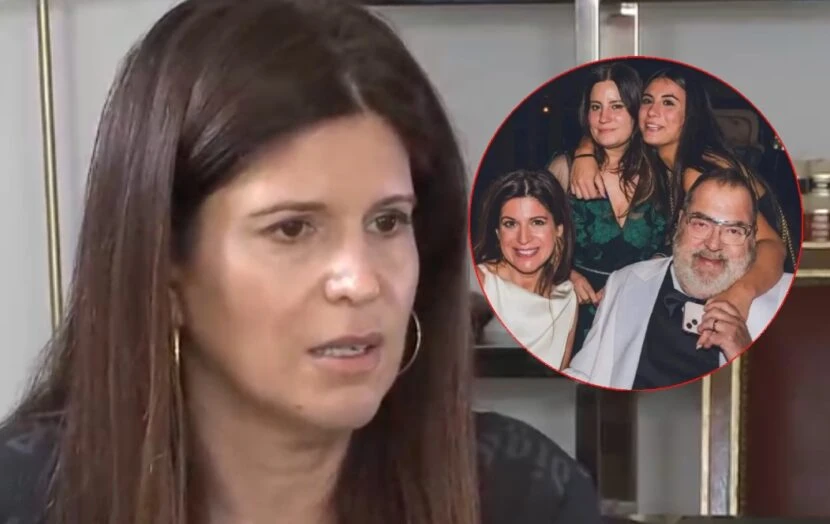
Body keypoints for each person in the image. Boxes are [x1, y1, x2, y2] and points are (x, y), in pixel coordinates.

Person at [0, 1, 602, 523]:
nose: (360, 282)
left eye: (387, 222)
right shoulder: (24, 497)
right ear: (167, 271)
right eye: (291, 229)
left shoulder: (522, 496)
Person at [568, 65, 792, 323]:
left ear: (690, 115)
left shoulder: (696, 172)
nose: (653, 112)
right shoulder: (666, 165)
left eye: (668, 103)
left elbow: (772, 245)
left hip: (758, 295)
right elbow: (602, 125)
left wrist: (739, 295)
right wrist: (584, 150)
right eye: (647, 101)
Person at [563, 168, 793, 390]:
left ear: (752, 238)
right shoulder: (625, 282)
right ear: (680, 222)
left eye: (733, 230)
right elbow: (584, 377)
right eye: (701, 224)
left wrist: (745, 357)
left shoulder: (787, 303)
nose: (713, 244)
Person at [547, 62, 667, 355]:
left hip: (644, 322)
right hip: (576, 319)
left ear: (637, 111)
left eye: (617, 106)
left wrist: (644, 279)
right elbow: (533, 242)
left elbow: (675, 244)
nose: (604, 118)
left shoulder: (662, 172)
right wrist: (565, 274)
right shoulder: (564, 169)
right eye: (595, 107)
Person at [472, 169, 578, 370]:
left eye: (537, 222)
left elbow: (559, 381)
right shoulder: (482, 284)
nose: (523, 238)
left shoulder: (567, 297)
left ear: (558, 229)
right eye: (510, 224)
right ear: (498, 233)